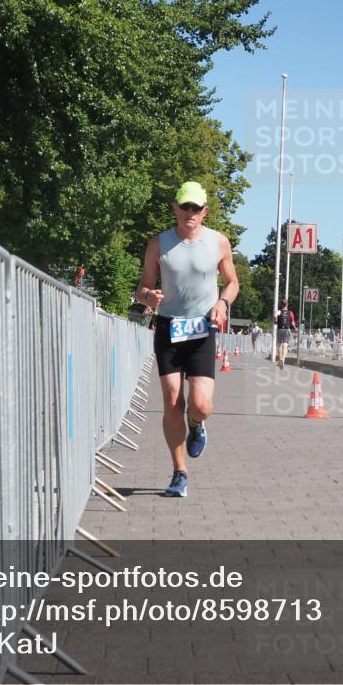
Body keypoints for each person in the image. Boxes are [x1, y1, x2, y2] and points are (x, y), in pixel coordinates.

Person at [134, 181, 238, 498]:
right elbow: (141, 289)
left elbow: (233, 282)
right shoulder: (158, 244)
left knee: (201, 405)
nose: (189, 213)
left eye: (196, 208)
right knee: (172, 402)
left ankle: (197, 425)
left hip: (202, 329)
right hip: (168, 327)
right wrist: (148, 297)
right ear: (175, 208)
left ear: (204, 211)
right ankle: (180, 472)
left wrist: (222, 303)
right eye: (185, 207)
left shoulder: (218, 243)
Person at [275, 300, 296, 369]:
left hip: (279, 330)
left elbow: (274, 319)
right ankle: (283, 360)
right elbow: (292, 323)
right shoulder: (290, 313)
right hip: (286, 330)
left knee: (279, 345)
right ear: (287, 304)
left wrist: (276, 320)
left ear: (281, 305)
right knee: (285, 345)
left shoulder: (278, 312)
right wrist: (295, 328)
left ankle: (280, 358)